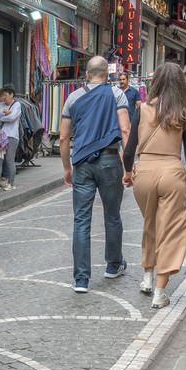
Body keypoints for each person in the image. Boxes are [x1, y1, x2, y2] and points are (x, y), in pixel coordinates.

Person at [122, 63, 186, 310]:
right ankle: (160, 291)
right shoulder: (184, 111)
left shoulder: (142, 109)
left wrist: (127, 173)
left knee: (151, 225)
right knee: (171, 230)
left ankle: (146, 278)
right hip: (171, 172)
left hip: (143, 172)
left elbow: (129, 148)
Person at [58, 56, 131, 293]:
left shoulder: (72, 97)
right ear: (108, 75)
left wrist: (67, 167)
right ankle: (113, 265)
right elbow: (125, 129)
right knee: (112, 216)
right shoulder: (117, 94)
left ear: (86, 75)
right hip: (110, 160)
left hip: (81, 163)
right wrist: (130, 165)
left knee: (81, 220)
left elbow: (62, 137)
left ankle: (81, 279)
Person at [0, 85, 22, 190]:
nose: (4, 98)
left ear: (12, 94)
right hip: (0, 135)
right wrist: (4, 112)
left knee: (9, 160)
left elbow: (12, 118)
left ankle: (11, 183)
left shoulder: (17, 105)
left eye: (5, 95)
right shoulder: (2, 105)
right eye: (2, 95)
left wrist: (1, 117)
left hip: (12, 136)